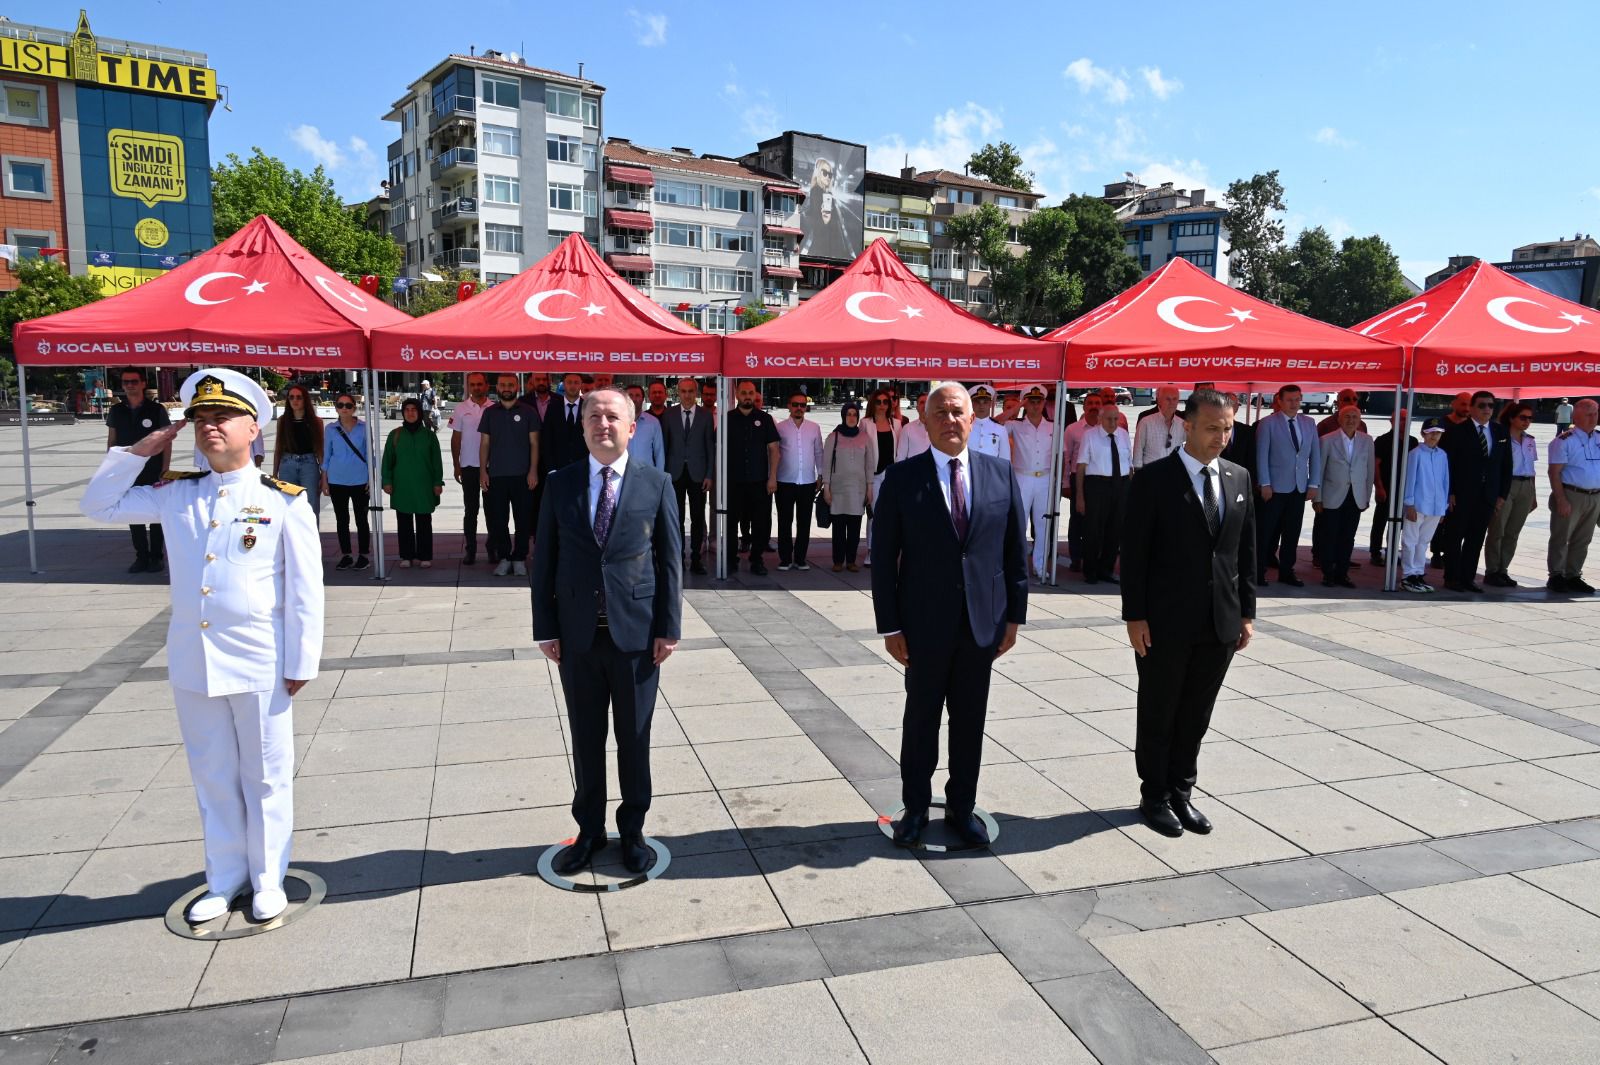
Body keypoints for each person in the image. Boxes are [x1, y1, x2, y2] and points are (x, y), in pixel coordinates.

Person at [80, 368, 322, 924]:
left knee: (264, 774)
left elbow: (306, 589)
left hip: (261, 658)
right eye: (200, 419)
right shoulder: (176, 495)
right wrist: (139, 449)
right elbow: (98, 505)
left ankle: (267, 877)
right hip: (194, 660)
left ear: (253, 428)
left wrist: (302, 659)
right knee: (212, 773)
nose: (209, 427)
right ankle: (224, 876)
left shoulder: (283, 501)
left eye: (222, 418)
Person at [533, 388, 682, 876]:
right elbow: (545, 562)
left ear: (632, 427)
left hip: (637, 641)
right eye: (594, 415)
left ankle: (633, 831)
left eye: (613, 416)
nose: (603, 423)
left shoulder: (656, 484)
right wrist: (545, 627)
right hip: (577, 639)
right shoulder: (560, 484)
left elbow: (670, 562)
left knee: (634, 741)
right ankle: (590, 831)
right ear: (582, 426)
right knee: (586, 738)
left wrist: (668, 628)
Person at [872, 383, 1027, 849]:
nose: (949, 420)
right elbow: (884, 558)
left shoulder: (1000, 474)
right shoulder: (902, 479)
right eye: (939, 412)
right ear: (924, 421)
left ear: (973, 418)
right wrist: (891, 625)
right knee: (920, 722)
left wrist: (1014, 618)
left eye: (957, 411)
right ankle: (915, 810)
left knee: (969, 723)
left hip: (982, 626)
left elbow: (1015, 552)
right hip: (922, 627)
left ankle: (963, 808)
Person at [1121, 389, 1255, 838]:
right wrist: (1135, 616)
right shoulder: (1154, 480)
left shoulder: (1238, 478)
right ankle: (1154, 795)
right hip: (1164, 621)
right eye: (1213, 428)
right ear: (1188, 426)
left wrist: (1246, 613)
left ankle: (1182, 791)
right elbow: (1135, 555)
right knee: (1160, 710)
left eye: (1228, 428)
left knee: (1197, 712)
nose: (1222, 437)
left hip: (1220, 620)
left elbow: (1245, 554)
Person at [1440, 390, 1511, 593]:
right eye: (1482, 405)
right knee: (1455, 536)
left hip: (1487, 496)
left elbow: (1506, 466)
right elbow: (1448, 465)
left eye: (1490, 405)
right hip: (1461, 495)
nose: (1487, 409)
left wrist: (1501, 495)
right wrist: (1450, 491)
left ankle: (1468, 578)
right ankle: (1452, 577)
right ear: (1471, 408)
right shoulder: (1456, 431)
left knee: (1476, 538)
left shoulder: (1500, 432)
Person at [105, 366, 172, 573]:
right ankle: (141, 557)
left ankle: (156, 557)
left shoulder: (156, 410)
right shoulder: (117, 410)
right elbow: (112, 441)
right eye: (126, 382)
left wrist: (165, 468)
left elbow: (167, 440)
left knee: (156, 514)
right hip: (127, 471)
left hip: (153, 468)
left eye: (134, 381)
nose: (130, 386)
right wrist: (111, 468)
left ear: (143, 384)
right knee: (132, 514)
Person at [1255, 384, 1321, 587]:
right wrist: (1264, 482)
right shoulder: (1268, 423)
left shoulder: (1309, 423)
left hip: (1298, 487)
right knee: (1266, 531)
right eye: (1290, 400)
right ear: (1280, 401)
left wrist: (1314, 483)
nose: (1294, 404)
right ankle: (1258, 570)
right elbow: (1262, 455)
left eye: (1297, 399)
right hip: (1274, 488)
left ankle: (1287, 570)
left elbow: (1315, 456)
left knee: (1292, 532)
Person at [479, 374, 540, 577]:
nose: (506, 388)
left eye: (510, 385)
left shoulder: (529, 412)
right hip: (496, 475)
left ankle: (520, 558)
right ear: (497, 387)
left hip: (523, 476)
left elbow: (534, 444)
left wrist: (533, 470)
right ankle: (505, 557)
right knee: (499, 520)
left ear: (517, 387)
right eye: (503, 385)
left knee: (523, 520)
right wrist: (482, 472)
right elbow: (484, 444)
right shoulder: (490, 413)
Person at [1314, 405, 1374, 588]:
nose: (1351, 420)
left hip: (1355, 496)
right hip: (1332, 496)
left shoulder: (1367, 441)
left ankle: (1343, 572)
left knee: (1348, 537)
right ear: (1339, 419)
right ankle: (1328, 573)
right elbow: (1319, 471)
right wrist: (1318, 498)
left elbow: (1370, 470)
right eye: (1347, 416)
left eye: (1355, 417)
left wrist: (1366, 496)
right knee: (1329, 536)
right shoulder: (1326, 440)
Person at [725, 380, 779, 575]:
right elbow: (718, 448)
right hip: (733, 481)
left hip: (759, 481)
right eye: (743, 392)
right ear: (737, 395)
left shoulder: (765, 419)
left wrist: (772, 477)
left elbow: (774, 449)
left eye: (751, 393)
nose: (747, 396)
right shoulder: (727, 419)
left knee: (760, 522)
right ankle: (731, 559)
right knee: (731, 522)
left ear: (756, 395)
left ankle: (757, 559)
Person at [383, 398, 445, 569]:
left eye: (414, 409)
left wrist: (437, 482)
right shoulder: (395, 435)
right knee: (404, 522)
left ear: (419, 412)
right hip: (402, 485)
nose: (410, 413)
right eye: (407, 409)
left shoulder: (429, 436)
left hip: (424, 485)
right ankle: (406, 555)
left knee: (424, 520)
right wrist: (386, 481)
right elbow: (387, 460)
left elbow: (436, 462)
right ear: (403, 412)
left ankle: (425, 555)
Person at [1547, 398, 1600, 594]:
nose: (1593, 418)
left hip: (1595, 495)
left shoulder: (1598, 438)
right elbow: (1554, 473)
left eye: (1595, 413)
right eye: (1589, 414)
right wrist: (1561, 499)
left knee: (1583, 539)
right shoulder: (1563, 441)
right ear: (1576, 416)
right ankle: (1556, 575)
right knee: (1562, 537)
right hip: (1571, 494)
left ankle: (1574, 574)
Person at [1076, 403, 1132, 584]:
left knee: (1115, 530)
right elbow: (1081, 466)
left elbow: (1128, 465)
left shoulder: (1123, 436)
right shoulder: (1090, 436)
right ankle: (1090, 570)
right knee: (1093, 530)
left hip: (1121, 485)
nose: (1113, 422)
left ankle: (1106, 569)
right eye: (1109, 418)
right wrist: (1080, 496)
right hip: (1097, 485)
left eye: (1116, 418)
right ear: (1100, 419)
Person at [1484, 400, 1539, 587]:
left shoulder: (1530, 440)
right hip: (1506, 485)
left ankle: (1503, 569)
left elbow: (1532, 469)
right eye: (1523, 417)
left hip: (1525, 486)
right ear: (1511, 418)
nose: (1527, 421)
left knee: (1513, 532)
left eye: (1530, 418)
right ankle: (1492, 570)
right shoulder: (1500, 437)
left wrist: (1534, 495)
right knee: (1497, 530)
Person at [662, 377, 713, 576]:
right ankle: (678, 557)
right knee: (676, 518)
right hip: (674, 473)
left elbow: (710, 448)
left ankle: (697, 559)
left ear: (696, 392)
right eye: (683, 391)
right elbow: (664, 447)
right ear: (678, 392)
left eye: (691, 391)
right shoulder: (669, 414)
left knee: (698, 517)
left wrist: (709, 474)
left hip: (698, 474)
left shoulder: (706, 415)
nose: (687, 395)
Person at [821, 401, 876, 572]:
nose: (851, 418)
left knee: (854, 527)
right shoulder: (833, 437)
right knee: (838, 528)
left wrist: (869, 487)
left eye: (854, 414)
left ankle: (851, 560)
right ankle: (838, 561)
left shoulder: (865, 437)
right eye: (848, 414)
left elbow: (869, 465)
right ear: (843, 416)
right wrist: (827, 488)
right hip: (838, 490)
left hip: (858, 490)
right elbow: (826, 464)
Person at [1008, 383, 1055, 579]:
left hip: (1044, 477)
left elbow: (1060, 456)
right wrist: (1017, 407)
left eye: (1039, 401)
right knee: (1019, 524)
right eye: (1031, 401)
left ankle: (1040, 565)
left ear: (1044, 403)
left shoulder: (1054, 426)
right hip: (1022, 477)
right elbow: (993, 423)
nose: (1035, 405)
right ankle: (1016, 564)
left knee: (1043, 524)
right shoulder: (1014, 425)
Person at [321, 393, 372, 571]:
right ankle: (346, 555)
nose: (344, 408)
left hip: (360, 479)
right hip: (337, 480)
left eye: (348, 405)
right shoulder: (330, 429)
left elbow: (369, 455)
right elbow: (326, 455)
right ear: (336, 408)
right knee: (342, 519)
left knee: (361, 519)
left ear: (354, 408)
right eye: (340, 405)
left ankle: (364, 555)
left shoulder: (364, 428)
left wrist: (371, 478)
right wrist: (324, 480)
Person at [448, 372, 494, 564]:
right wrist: (456, 465)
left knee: (492, 511)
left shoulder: (494, 408)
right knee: (471, 510)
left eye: (479, 384)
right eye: (472, 384)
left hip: (491, 468)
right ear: (468, 386)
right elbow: (455, 438)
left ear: (486, 386)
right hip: (468, 466)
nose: (476, 387)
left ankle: (493, 549)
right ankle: (471, 550)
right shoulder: (460, 409)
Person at [775, 391, 823, 571]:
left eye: (802, 405)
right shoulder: (780, 428)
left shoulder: (814, 427)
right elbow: (774, 453)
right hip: (784, 481)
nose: (799, 408)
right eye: (795, 405)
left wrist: (821, 475)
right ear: (789, 406)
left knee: (804, 522)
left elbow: (819, 452)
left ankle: (801, 558)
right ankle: (785, 558)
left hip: (808, 482)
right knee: (784, 521)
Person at [1401, 423, 1451, 593]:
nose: (1434, 436)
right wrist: (1409, 503)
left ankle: (1418, 573)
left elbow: (1445, 481)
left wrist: (1443, 506)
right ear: (1423, 433)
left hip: (1435, 506)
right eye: (1431, 433)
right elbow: (1409, 479)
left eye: (1438, 433)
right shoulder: (1415, 454)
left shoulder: (1442, 455)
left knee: (1423, 542)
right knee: (1410, 541)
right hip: (1418, 504)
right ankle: (1408, 575)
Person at [1431, 391, 1476, 568]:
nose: (1466, 408)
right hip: (1442, 477)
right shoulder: (1442, 424)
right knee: (1440, 518)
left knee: (1458, 521)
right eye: (1463, 404)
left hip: (1463, 480)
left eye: (1469, 405)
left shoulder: (1472, 426)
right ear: (1453, 403)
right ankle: (1436, 552)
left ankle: (1451, 553)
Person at [1062, 390, 1105, 571]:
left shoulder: (1108, 427)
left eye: (1097, 403)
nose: (1094, 407)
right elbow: (1066, 458)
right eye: (1091, 404)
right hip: (1078, 479)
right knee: (1077, 520)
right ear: (1084, 406)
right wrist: (1065, 483)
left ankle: (1095, 556)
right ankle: (1076, 557)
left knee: (1098, 521)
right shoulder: (1073, 429)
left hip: (1101, 481)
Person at [1369, 409, 1415, 567]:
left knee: (1400, 523)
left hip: (1405, 489)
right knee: (1381, 520)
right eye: (1400, 419)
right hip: (1387, 487)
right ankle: (1375, 552)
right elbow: (1375, 465)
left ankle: (1393, 550)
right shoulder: (1383, 441)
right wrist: (1379, 487)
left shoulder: (1413, 441)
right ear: (1392, 421)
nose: (1403, 422)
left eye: (1406, 419)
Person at [1131, 386, 1186, 470]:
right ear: (1159, 401)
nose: (1172, 403)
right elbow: (1138, 451)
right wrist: (1138, 475)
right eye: (1168, 399)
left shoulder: (1182, 424)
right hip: (1150, 473)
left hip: (1175, 473)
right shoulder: (1146, 422)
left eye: (1175, 399)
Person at [624, 384, 665, 470]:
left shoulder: (653, 422)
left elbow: (659, 453)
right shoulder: (617, 422)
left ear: (643, 399)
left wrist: (659, 477)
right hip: (622, 475)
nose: (634, 399)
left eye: (637, 395)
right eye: (630, 395)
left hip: (647, 475)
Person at [968, 385, 1008, 459]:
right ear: (971, 404)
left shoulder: (1000, 429)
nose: (981, 406)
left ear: (990, 404)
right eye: (977, 402)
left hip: (991, 470)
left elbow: (1005, 458)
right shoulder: (963, 427)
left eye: (985, 402)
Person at [894, 393, 932, 461]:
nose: (925, 405)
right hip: (913, 470)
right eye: (922, 402)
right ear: (917, 408)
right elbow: (901, 456)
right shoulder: (907, 428)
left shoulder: (940, 428)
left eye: (928, 402)